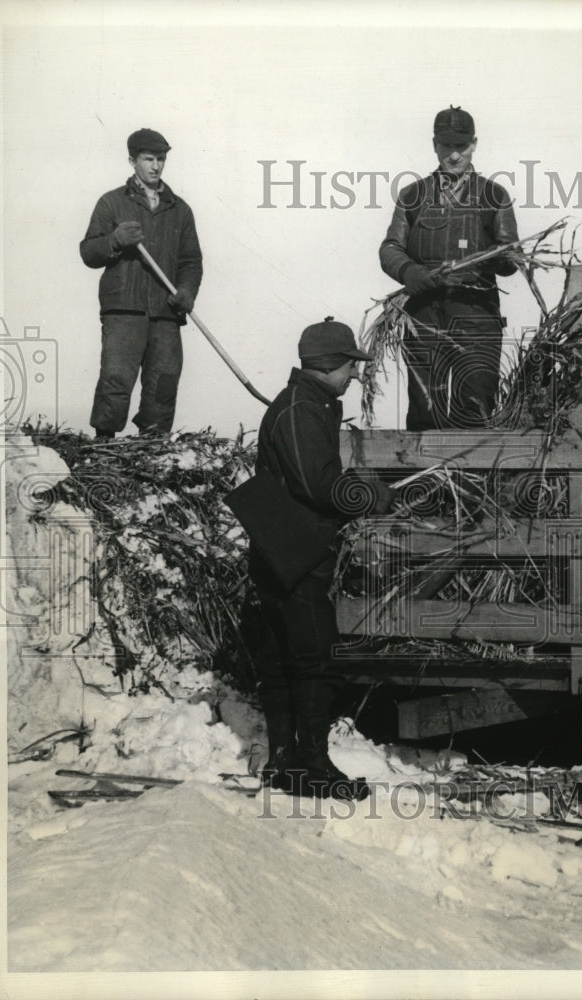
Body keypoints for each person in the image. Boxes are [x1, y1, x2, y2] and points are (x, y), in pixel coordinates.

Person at [248, 318, 392, 801]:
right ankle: (310, 767)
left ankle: (284, 763)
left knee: (284, 661)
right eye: (352, 364)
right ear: (331, 364)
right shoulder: (304, 409)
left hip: (278, 550)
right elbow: (318, 485)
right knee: (315, 661)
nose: (355, 373)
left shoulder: (303, 404)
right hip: (298, 554)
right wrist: (372, 495)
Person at [379, 106, 519, 430]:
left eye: (462, 146)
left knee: (476, 409)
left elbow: (512, 258)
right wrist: (409, 272)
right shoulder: (412, 195)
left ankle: (472, 481)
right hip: (424, 317)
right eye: (446, 146)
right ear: (434, 144)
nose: (454, 156)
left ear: (474, 144)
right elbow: (390, 248)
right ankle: (425, 481)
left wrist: (499, 257)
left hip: (477, 316)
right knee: (425, 412)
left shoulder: (494, 195)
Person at [80, 128, 203, 438]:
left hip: (166, 310)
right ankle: (103, 445)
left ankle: (153, 446)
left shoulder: (180, 209)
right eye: (148, 159)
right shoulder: (111, 203)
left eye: (161, 159)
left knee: (164, 382)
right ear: (132, 160)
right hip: (124, 309)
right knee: (116, 379)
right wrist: (115, 240)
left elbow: (191, 261)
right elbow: (88, 252)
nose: (156, 166)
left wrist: (187, 291)